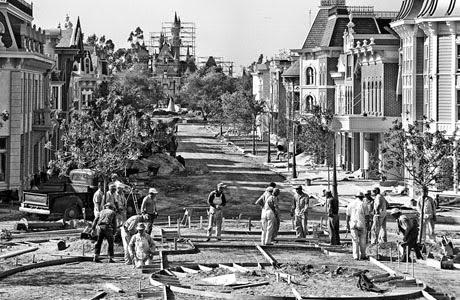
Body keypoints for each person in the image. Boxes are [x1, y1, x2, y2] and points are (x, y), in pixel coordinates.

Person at [346, 192, 370, 260]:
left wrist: (347, 224)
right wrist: (368, 225)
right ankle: (363, 255)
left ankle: (356, 256)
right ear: (362, 197)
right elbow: (367, 216)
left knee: (355, 241)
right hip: (361, 224)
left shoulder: (350, 204)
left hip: (353, 224)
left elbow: (347, 215)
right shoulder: (364, 204)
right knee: (362, 241)